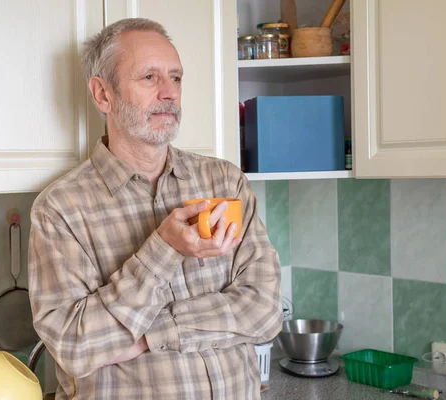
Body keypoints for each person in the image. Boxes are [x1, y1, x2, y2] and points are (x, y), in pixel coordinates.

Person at [27, 17, 282, 400]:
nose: (169, 93)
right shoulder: (60, 209)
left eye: (175, 78)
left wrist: (149, 336)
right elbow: (74, 345)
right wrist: (164, 248)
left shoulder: (225, 183)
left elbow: (264, 311)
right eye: (149, 78)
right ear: (103, 95)